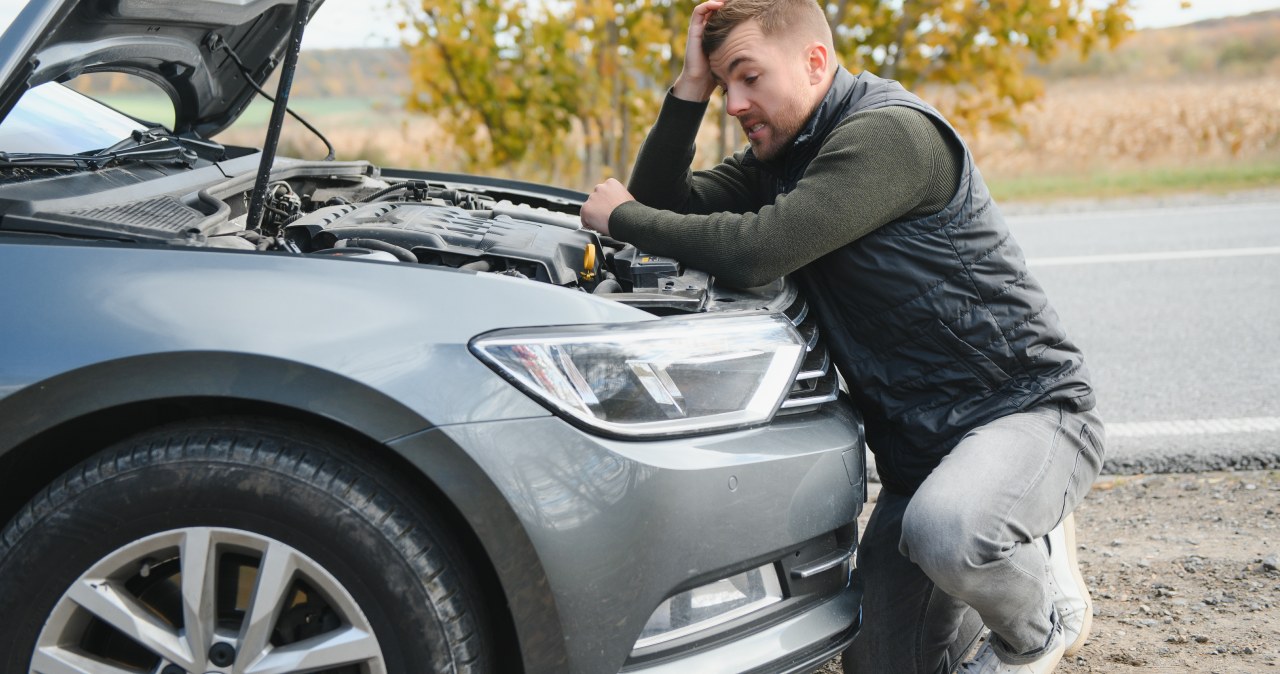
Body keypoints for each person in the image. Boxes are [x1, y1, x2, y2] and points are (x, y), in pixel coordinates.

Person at [579, 0, 1105, 672]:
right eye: (723, 86)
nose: (735, 103)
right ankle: (996, 531)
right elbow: (660, 207)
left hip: (1028, 410)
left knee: (949, 532)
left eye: (747, 77)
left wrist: (621, 218)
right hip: (926, 454)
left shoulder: (888, 136)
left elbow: (757, 249)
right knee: (880, 662)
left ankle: (1043, 618)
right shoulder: (779, 159)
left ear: (815, 61)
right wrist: (689, 88)